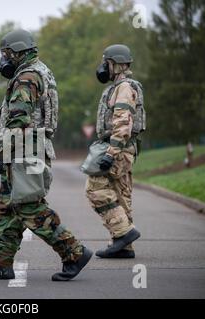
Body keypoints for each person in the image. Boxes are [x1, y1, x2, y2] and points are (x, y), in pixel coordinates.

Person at [0, 29, 92, 281]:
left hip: (26, 151)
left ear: (17, 51)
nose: (3, 59)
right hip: (23, 151)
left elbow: (19, 121)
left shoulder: (27, 77)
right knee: (8, 210)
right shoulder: (37, 71)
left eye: (5, 54)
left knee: (29, 206)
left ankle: (73, 252)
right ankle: (0, 263)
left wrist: (1, 153)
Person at [86, 44, 145, 258]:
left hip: (118, 147)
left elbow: (122, 121)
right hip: (124, 147)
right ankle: (124, 246)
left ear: (117, 64)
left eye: (106, 63)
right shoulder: (120, 86)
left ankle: (124, 234)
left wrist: (111, 153)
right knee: (121, 195)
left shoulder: (124, 88)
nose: (103, 67)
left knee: (95, 188)